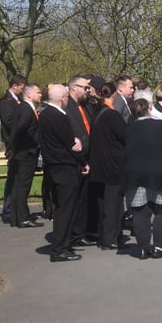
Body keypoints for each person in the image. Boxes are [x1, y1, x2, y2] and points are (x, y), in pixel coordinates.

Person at [39, 84, 88, 262]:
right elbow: (70, 144)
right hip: (64, 167)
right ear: (62, 99)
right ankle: (60, 248)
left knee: (62, 208)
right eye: (66, 97)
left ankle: (63, 245)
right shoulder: (58, 116)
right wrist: (82, 158)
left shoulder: (44, 114)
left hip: (54, 166)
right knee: (66, 210)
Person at [125, 98, 162, 259]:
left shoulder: (128, 129)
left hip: (135, 174)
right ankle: (160, 246)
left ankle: (143, 248)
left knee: (140, 211)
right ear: (149, 109)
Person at [89, 82, 127, 250]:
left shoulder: (98, 113)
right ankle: (110, 238)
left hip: (99, 165)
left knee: (102, 203)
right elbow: (125, 136)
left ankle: (103, 236)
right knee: (113, 204)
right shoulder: (112, 115)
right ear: (115, 95)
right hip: (112, 166)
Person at [66, 75, 97, 247]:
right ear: (73, 88)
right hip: (74, 159)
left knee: (84, 198)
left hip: (87, 157)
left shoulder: (85, 107)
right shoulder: (67, 107)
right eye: (84, 88)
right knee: (75, 199)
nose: (87, 91)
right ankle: (74, 234)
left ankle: (81, 232)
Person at [7, 83, 43, 227]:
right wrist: (13, 148)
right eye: (38, 92)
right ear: (29, 94)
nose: (40, 95)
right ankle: (23, 218)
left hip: (23, 153)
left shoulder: (26, 108)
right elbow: (19, 130)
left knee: (18, 186)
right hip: (26, 153)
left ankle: (16, 217)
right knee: (23, 187)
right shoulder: (26, 109)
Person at [0, 74, 27, 223]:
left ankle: (15, 209)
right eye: (21, 87)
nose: (22, 90)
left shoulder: (17, 100)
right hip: (14, 144)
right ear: (14, 86)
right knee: (12, 178)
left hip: (20, 144)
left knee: (18, 178)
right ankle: (8, 211)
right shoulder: (6, 102)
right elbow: (9, 122)